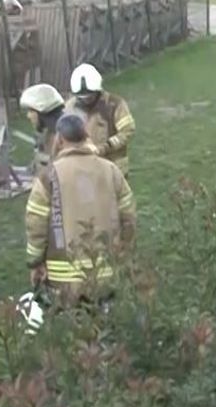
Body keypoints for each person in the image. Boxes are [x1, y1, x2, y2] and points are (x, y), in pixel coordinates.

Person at [25, 113, 136, 302]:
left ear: (59, 139)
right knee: (104, 324)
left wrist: (35, 262)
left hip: (64, 280)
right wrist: (125, 251)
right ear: (86, 136)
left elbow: (36, 222)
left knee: (71, 327)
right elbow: (129, 214)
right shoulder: (111, 170)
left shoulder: (48, 176)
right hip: (106, 274)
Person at [66, 64, 135, 176]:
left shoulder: (115, 104)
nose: (86, 100)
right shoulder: (70, 107)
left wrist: (103, 148)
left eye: (90, 96)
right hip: (83, 169)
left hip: (113, 168)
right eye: (82, 97)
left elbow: (127, 131)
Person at [19, 83, 65, 174]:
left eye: (31, 111)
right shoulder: (48, 135)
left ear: (42, 112)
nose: (28, 116)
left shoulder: (62, 140)